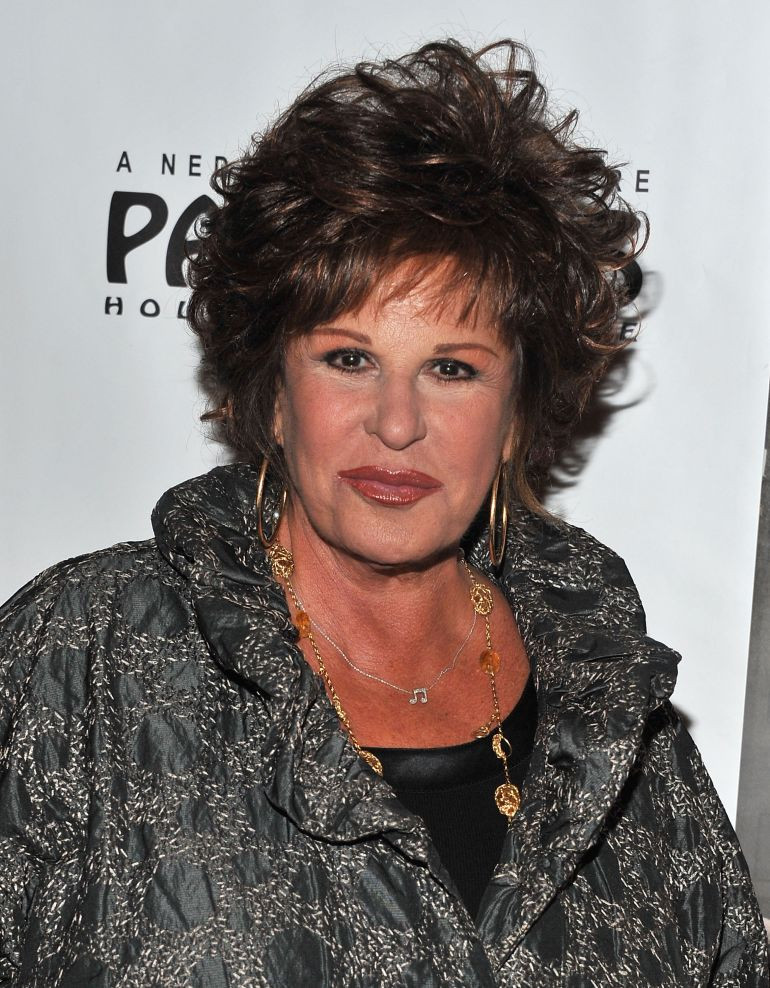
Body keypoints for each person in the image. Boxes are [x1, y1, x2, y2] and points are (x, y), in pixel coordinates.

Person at [0, 38, 767, 988]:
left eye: (452, 368)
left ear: (516, 416)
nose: (397, 424)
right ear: (273, 395)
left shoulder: (615, 714)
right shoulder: (84, 656)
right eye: (349, 358)